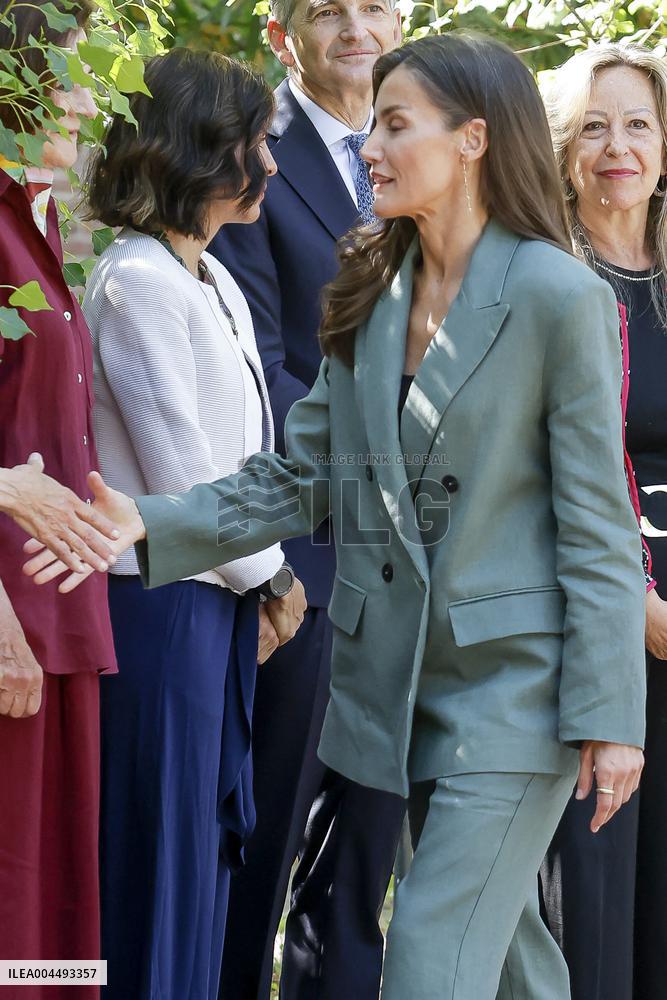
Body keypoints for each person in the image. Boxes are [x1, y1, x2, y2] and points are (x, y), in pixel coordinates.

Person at [25, 33, 647, 1000]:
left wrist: (614, 717)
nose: (369, 146)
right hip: (395, 689)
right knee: (514, 956)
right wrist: (151, 521)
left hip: (515, 698)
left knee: (429, 961)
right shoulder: (372, 289)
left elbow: (597, 524)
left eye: (396, 126)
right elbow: (299, 473)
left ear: (473, 141)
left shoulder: (554, 295)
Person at [81, 48, 306, 1000]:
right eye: (257, 143)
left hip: (214, 608)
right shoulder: (134, 281)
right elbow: (182, 468)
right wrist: (276, 579)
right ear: (199, 152)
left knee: (207, 859)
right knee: (155, 865)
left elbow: (248, 459)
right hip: (159, 610)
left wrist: (261, 578)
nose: (271, 165)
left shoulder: (207, 277)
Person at [209, 0, 405, 996]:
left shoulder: (431, 143)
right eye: (327, 9)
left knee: (359, 869)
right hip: (310, 566)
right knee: (261, 847)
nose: (354, 27)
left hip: (423, 574)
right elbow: (256, 367)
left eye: (373, 5)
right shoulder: (254, 158)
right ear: (282, 33)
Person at [541, 43, 667, 1000]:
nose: (617, 145)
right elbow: (540, 472)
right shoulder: (542, 279)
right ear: (561, 146)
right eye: (594, 124)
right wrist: (638, 602)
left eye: (637, 124)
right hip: (591, 622)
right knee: (594, 909)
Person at [0, 1, 120, 994]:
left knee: (62, 913)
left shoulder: (34, 230)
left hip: (68, 615)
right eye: (72, 73)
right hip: (9, 619)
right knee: (11, 903)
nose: (87, 99)